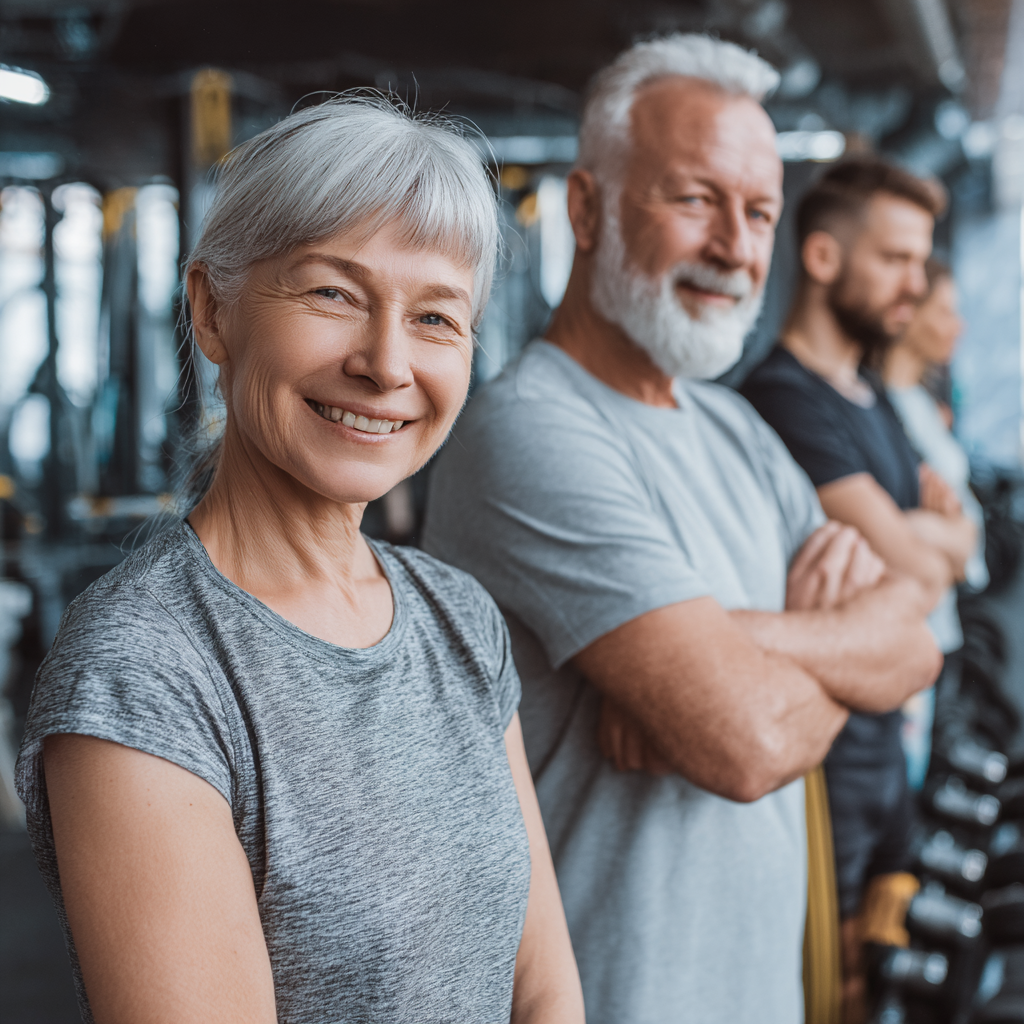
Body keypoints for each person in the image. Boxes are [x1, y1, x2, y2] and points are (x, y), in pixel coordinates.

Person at [15, 96, 584, 1024]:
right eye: (334, 294)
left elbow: (545, 988)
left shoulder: (457, 617)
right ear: (213, 312)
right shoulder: (147, 668)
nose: (387, 362)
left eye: (437, 317)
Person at [423, 35, 940, 1024]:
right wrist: (817, 658)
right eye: (694, 199)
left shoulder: (733, 428)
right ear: (587, 208)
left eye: (757, 215)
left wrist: (728, 637)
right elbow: (742, 741)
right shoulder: (529, 430)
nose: (735, 250)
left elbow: (913, 636)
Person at [741, 158, 977, 1021]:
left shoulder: (870, 397)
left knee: (880, 967)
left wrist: (934, 539)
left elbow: (950, 543)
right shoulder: (781, 397)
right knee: (828, 984)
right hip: (826, 756)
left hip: (890, 741)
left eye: (923, 264)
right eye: (896, 260)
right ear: (825, 256)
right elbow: (919, 566)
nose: (915, 284)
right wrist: (934, 540)